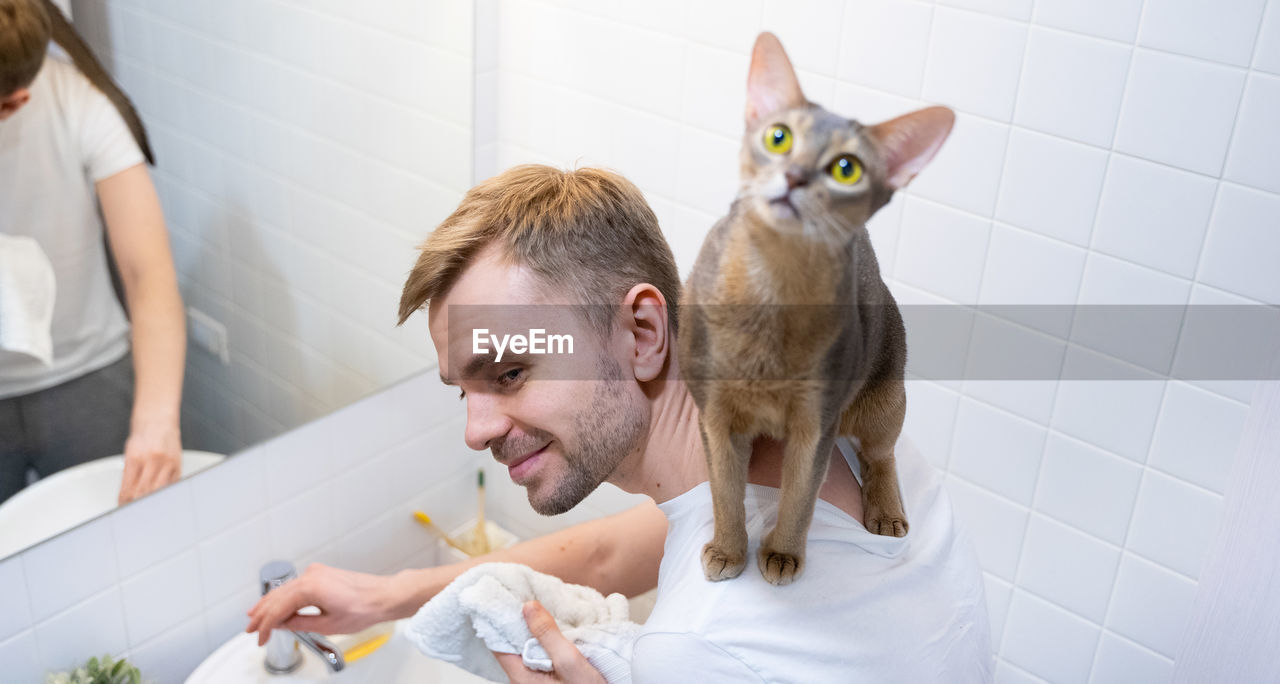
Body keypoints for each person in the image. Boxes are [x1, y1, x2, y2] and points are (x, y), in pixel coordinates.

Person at [247, 165, 992, 682]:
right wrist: (392, 594)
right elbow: (611, 556)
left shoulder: (704, 642)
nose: (475, 430)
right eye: (463, 391)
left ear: (640, 333)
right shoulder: (849, 441)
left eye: (509, 373)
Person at [0, 0, 185, 505]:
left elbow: (148, 276)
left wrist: (156, 421)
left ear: (16, 101)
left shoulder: (78, 103)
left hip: (89, 377)